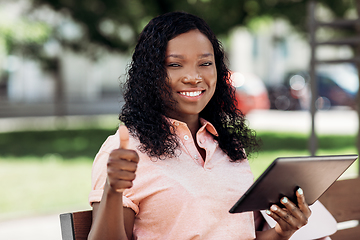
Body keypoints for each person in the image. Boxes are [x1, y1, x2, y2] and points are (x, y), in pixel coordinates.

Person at [88, 12, 313, 240]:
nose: (193, 77)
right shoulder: (122, 153)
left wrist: (283, 231)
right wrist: (113, 191)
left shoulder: (228, 147)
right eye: (175, 64)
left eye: (205, 63)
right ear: (150, 75)